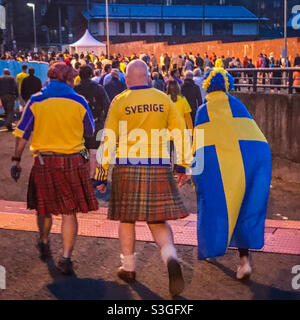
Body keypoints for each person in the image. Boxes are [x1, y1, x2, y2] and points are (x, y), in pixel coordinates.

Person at [95, 59, 192, 297]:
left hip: (127, 167)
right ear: (148, 77)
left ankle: (128, 268)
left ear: (127, 80)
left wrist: (100, 174)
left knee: (127, 219)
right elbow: (181, 132)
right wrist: (183, 165)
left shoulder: (120, 101)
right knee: (158, 220)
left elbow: (108, 139)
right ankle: (170, 256)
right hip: (158, 166)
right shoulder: (162, 98)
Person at [11, 62, 98, 275]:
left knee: (44, 207)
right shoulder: (79, 101)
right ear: (68, 79)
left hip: (44, 161)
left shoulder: (37, 100)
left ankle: (44, 240)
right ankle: (66, 257)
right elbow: (90, 130)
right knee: (70, 213)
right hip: (72, 161)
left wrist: (16, 160)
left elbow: (22, 134)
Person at [192, 68, 272, 280]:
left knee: (212, 205)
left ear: (207, 86)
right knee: (243, 207)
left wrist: (195, 174)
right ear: (228, 86)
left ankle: (212, 249)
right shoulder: (238, 105)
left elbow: (199, 147)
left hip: (220, 165)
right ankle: (244, 261)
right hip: (250, 161)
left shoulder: (203, 110)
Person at [74, 65, 111, 179]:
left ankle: (84, 173)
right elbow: (107, 105)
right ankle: (91, 176)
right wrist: (104, 119)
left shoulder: (75, 89)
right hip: (96, 122)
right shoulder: (99, 88)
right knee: (94, 150)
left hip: (79, 123)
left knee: (83, 149)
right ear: (91, 74)